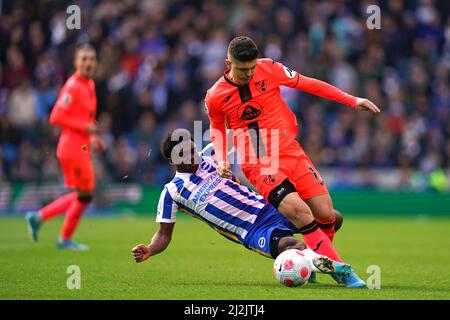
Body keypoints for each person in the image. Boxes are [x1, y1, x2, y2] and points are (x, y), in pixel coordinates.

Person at [204, 36, 379, 284]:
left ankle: (314, 263)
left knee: (326, 214)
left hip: (290, 150)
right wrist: (222, 159)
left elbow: (310, 85)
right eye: (243, 70)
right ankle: (342, 271)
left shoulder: (271, 69)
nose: (249, 74)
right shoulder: (215, 96)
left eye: (252, 68)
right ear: (228, 63)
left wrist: (352, 100)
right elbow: (217, 129)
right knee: (300, 212)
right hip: (260, 162)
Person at [131, 129, 365, 288]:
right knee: (294, 246)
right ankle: (327, 266)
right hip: (252, 231)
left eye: (193, 149)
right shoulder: (172, 192)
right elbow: (163, 234)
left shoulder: (212, 155)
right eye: (186, 154)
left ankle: (312, 262)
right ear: (173, 161)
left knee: (333, 219)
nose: (193, 155)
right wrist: (151, 249)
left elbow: (238, 135)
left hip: (269, 207)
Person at [26, 44, 105, 251]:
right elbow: (56, 116)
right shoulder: (73, 86)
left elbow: (86, 118)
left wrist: (93, 136)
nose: (88, 62)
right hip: (72, 148)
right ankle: (63, 238)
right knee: (85, 195)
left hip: (81, 146)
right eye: (84, 59)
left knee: (82, 195)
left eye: (92, 59)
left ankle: (39, 217)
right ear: (76, 62)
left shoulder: (89, 85)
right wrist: (85, 127)